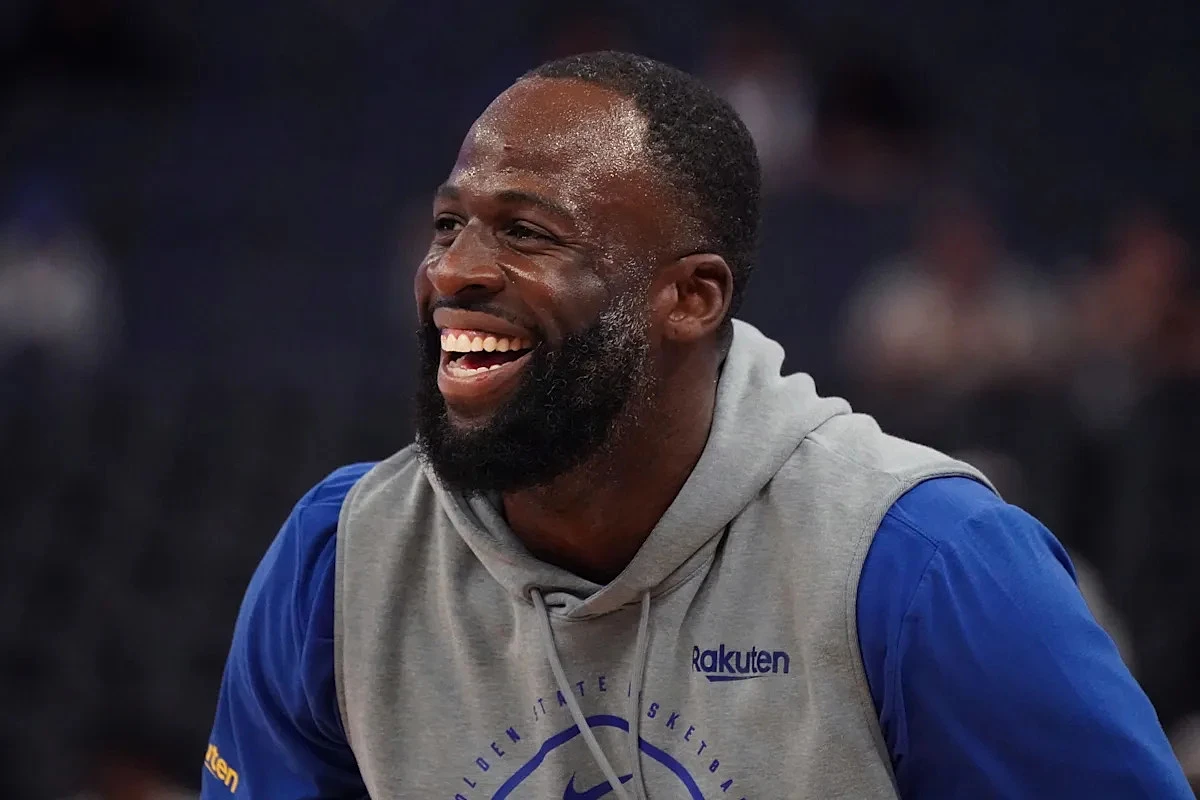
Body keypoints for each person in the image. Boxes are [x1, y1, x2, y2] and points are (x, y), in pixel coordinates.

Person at [201, 52, 1191, 799]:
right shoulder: (340, 561)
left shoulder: (926, 567)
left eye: (526, 231)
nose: (452, 270)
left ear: (691, 296)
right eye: (449, 224)